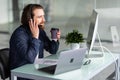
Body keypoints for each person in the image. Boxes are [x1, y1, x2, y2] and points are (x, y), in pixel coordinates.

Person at [9, 4, 60, 80]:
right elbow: (30, 59)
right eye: (40, 17)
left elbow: (52, 50)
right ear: (29, 19)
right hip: (22, 75)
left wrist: (55, 38)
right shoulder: (19, 35)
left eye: (43, 16)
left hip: (36, 70)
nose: (44, 20)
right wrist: (35, 37)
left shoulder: (40, 31)